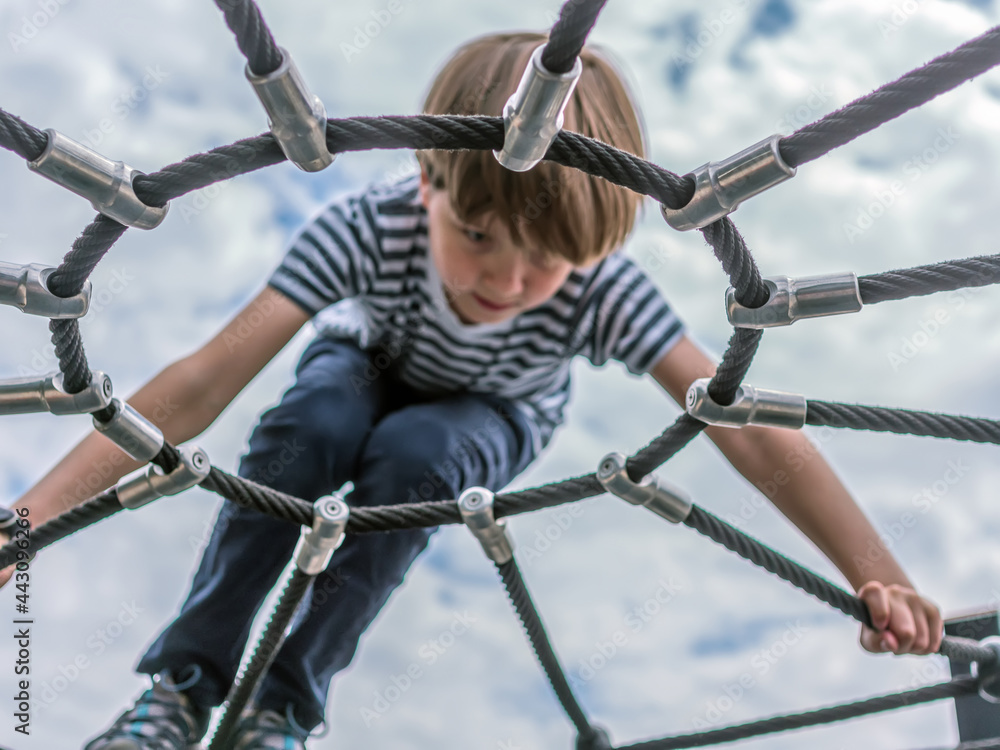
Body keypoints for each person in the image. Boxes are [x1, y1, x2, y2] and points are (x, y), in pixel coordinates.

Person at [0, 31, 942, 750]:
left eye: (547, 256)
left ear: (600, 250)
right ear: (426, 180)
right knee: (313, 420)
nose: (509, 279)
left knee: (421, 456)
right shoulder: (366, 230)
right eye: (480, 234)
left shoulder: (601, 291)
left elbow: (741, 424)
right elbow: (201, 382)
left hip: (487, 418)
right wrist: (25, 521)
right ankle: (181, 687)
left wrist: (881, 575)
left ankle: (279, 709)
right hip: (361, 370)